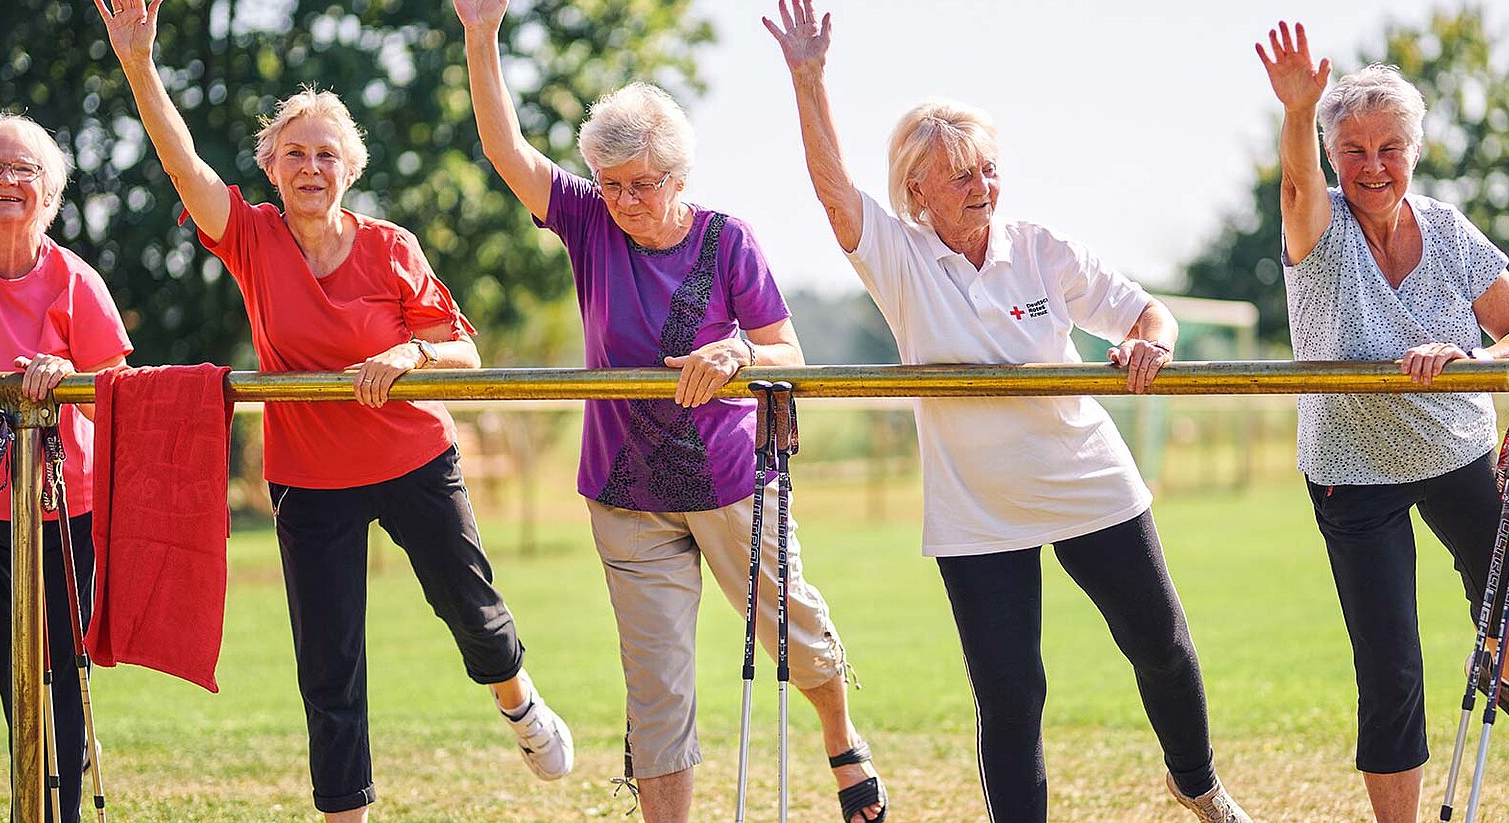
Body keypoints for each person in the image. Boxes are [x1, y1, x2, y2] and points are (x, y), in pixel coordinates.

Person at [765, 3, 1252, 821]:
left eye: (989, 169)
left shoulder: (1038, 246)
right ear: (918, 190)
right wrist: (808, 78)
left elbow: (1147, 313)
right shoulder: (900, 259)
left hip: (1083, 473)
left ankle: (1198, 784)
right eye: (961, 175)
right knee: (1012, 692)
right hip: (978, 504)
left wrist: (1152, 343)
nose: (982, 187)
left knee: (1162, 646)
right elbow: (833, 192)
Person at [96, 1, 570, 819]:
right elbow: (183, 167)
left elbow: (462, 350)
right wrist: (140, 64)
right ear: (272, 169)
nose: (310, 166)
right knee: (329, 667)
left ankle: (520, 702)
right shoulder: (250, 238)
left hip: (412, 458)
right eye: (294, 154)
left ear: (349, 169)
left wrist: (410, 354)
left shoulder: (390, 247)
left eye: (325, 154)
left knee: (474, 615)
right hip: (310, 478)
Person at [452, 3, 884, 822]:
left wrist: (738, 354)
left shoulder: (727, 241)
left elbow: (789, 353)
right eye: (611, 184)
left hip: (730, 482)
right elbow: (507, 151)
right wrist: (482, 37)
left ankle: (840, 736)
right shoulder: (588, 221)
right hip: (626, 494)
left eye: (642, 185)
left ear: (679, 176)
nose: (624, 200)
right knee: (656, 688)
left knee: (793, 630)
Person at [1255, 21, 1509, 823]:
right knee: (1390, 671)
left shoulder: (1448, 230)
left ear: (1414, 152)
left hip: (1456, 445)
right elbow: (1296, 186)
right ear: (1331, 157)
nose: (1372, 165)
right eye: (1352, 149)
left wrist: (1475, 358)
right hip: (1352, 469)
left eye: (1390, 147)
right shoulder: (1320, 230)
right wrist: (1298, 110)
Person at [0, 111, 132, 823]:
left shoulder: (76, 282)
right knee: (12, 676)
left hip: (63, 510)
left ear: (51, 190)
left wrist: (68, 374)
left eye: (24, 169)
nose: (7, 180)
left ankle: (56, 811)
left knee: (62, 675)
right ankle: (36, 790)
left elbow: (116, 395)